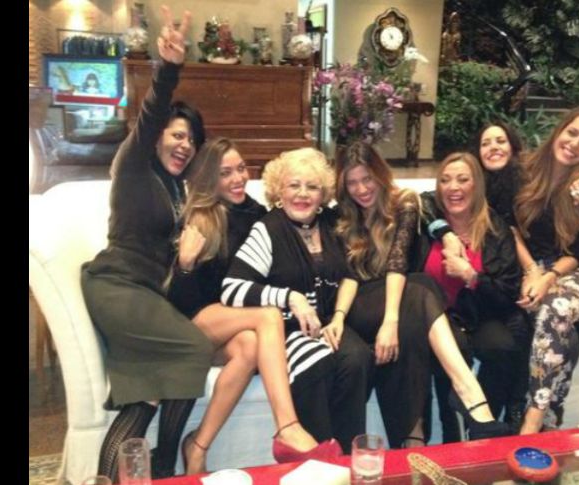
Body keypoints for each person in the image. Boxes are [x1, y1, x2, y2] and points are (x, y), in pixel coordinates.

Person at [80, 7, 211, 481]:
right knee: (194, 348)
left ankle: (116, 476)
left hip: (146, 297)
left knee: (143, 401)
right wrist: (168, 68)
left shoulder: (176, 186)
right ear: (156, 137)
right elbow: (153, 110)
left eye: (192, 140)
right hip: (117, 286)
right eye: (177, 135)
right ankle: (167, 466)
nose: (185, 145)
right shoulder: (133, 164)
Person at [165, 138, 335, 473]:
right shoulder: (199, 218)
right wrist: (184, 264)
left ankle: (197, 445)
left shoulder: (258, 213)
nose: (238, 178)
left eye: (241, 168)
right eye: (225, 172)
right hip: (195, 320)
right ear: (210, 179)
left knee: (250, 346)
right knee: (268, 316)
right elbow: (178, 299)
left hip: (236, 324)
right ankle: (288, 426)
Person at [333, 142, 510, 445]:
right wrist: (342, 317)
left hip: (398, 295)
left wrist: (391, 320)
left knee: (416, 310)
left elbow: (397, 261)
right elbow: (349, 276)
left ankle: (413, 440)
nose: (361, 189)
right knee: (420, 288)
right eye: (352, 182)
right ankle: (472, 399)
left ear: (380, 174)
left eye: (367, 179)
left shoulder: (404, 202)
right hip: (358, 304)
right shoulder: (343, 216)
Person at [220, 148, 374, 454]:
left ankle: (347, 454)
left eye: (312, 187)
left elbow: (350, 275)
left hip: (328, 322)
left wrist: (339, 317)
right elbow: (231, 289)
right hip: (285, 330)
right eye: (294, 185)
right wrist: (290, 297)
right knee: (316, 362)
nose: (302, 194)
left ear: (322, 195)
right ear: (279, 190)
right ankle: (314, 455)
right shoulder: (268, 229)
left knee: (358, 357)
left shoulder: (331, 223)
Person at [511, 105, 579, 434]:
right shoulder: (525, 171)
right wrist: (532, 271)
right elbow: (509, 228)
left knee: (555, 309)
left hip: (575, 273)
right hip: (533, 267)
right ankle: (551, 421)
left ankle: (532, 421)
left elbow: (578, 250)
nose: (575, 144)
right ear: (560, 129)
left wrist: (549, 277)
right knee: (559, 329)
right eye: (573, 133)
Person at [417, 152, 531, 438]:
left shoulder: (495, 228)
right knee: (453, 350)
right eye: (445, 180)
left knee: (502, 347)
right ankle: (452, 434)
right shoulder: (427, 220)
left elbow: (508, 291)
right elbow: (418, 201)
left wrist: (471, 276)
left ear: (477, 185)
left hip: (480, 311)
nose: (453, 187)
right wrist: (445, 233)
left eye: (462, 179)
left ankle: (483, 423)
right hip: (436, 317)